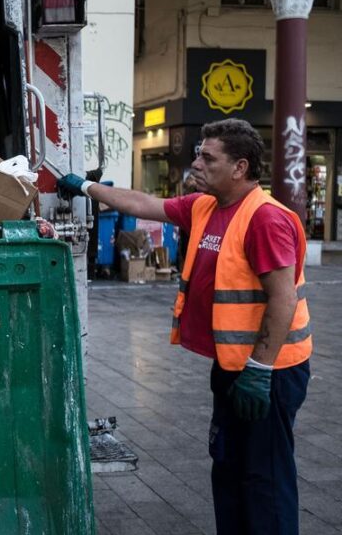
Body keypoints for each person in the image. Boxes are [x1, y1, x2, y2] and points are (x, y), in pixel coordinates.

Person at [58, 119, 311, 535]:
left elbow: (282, 299)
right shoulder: (205, 206)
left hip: (270, 372)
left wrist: (260, 370)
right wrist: (87, 188)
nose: (196, 163)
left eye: (208, 157)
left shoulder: (265, 219)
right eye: (198, 153)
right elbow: (141, 203)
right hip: (233, 367)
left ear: (240, 168)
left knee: (263, 477)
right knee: (228, 467)